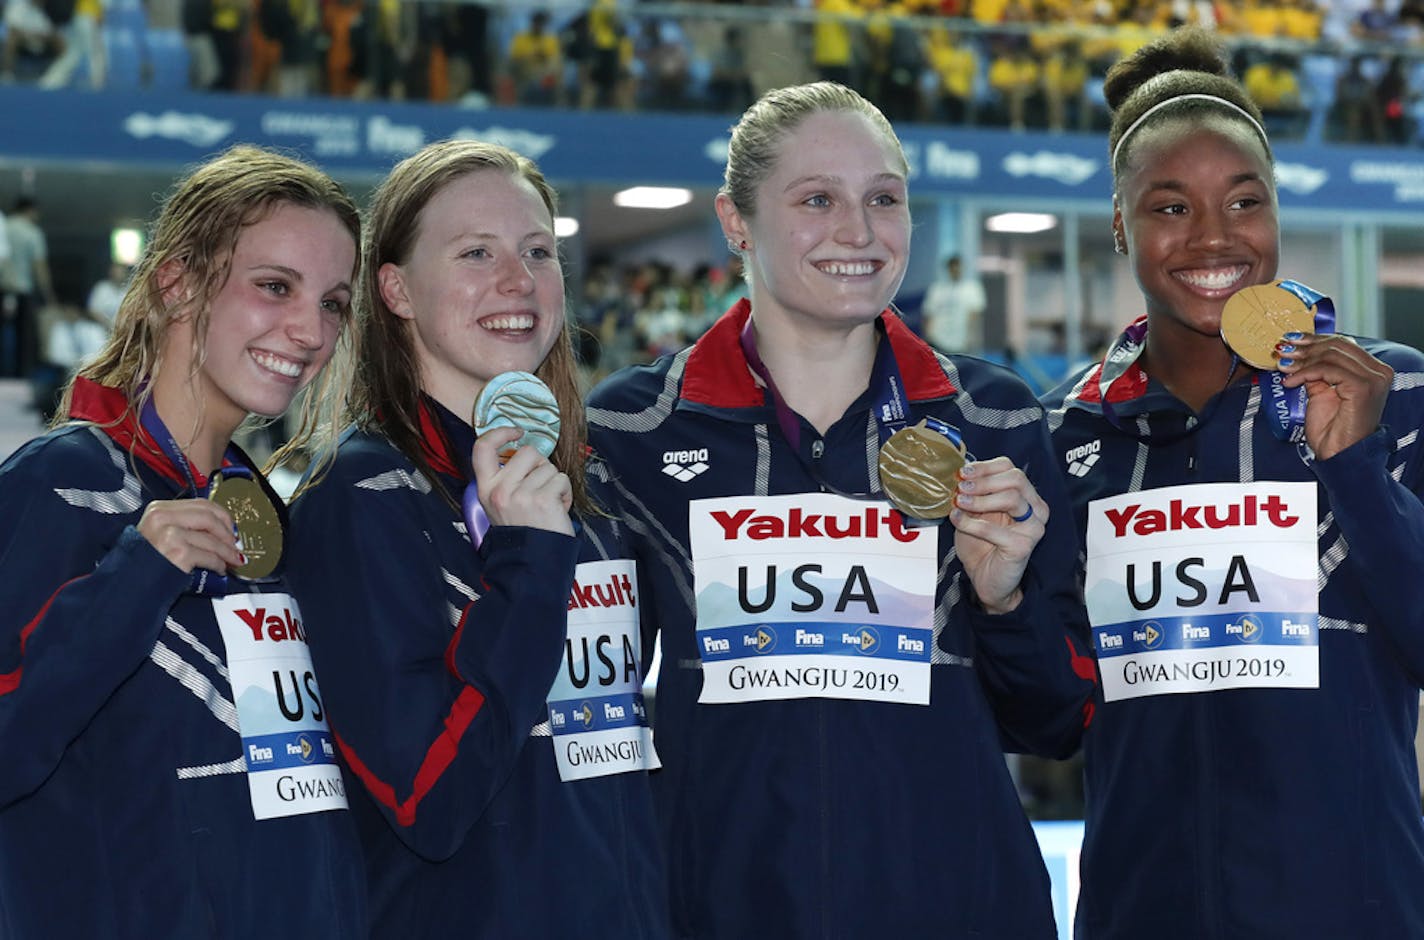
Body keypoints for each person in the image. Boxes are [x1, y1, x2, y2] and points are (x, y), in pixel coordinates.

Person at [586, 81, 1096, 939]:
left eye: (883, 199)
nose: (859, 231)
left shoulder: (993, 417)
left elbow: (1056, 722)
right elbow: (589, 719)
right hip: (714, 907)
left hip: (957, 907)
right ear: (735, 220)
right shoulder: (631, 430)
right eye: (817, 199)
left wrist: (1003, 601)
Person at [1041, 27, 1424, 937]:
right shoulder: (1064, 434)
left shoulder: (1393, 392)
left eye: (1244, 201)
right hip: (1140, 910)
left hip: (1354, 910)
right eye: (1171, 207)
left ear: (1278, 211)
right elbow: (1049, 715)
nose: (1215, 236)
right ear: (1121, 224)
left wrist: (1355, 468)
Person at [285, 139, 667, 939]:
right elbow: (430, 799)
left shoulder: (587, 491)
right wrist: (527, 562)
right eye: (475, 252)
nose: (519, 281)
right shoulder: (362, 498)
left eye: (539, 250)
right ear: (395, 290)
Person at [0, 144, 366, 937]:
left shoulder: (262, 513)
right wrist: (135, 577)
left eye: (334, 303)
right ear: (179, 282)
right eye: (275, 287)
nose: (310, 331)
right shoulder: (59, 486)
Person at [1, 196, 56, 380]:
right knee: (24, 338)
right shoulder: (32, 233)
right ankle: (20, 377)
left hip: (3, 288)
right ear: (30, 211)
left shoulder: (4, 228)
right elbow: (39, 266)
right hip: (21, 290)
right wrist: (48, 296)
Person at [921, 253, 987, 355]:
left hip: (962, 343)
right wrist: (928, 339)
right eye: (953, 267)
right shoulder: (937, 290)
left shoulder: (972, 289)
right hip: (938, 341)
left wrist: (971, 337)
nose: (955, 269)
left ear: (962, 268)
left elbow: (975, 316)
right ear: (948, 269)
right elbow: (929, 315)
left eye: (958, 266)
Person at [86, 260, 129, 327]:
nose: (118, 274)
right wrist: (108, 324)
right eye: (116, 271)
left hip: (123, 328)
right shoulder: (102, 288)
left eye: (121, 272)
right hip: (101, 328)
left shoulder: (129, 290)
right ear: (111, 272)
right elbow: (93, 311)